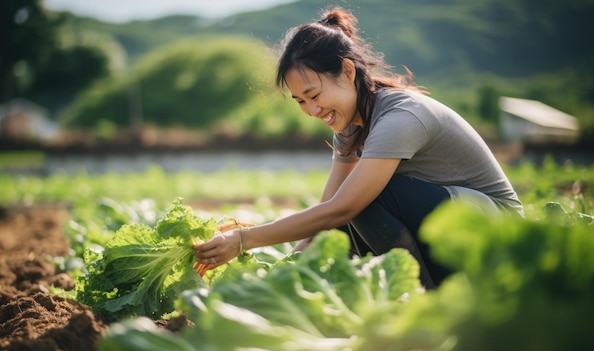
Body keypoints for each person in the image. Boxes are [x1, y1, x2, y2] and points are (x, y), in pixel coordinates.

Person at [194, 7, 523, 288]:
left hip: (498, 235)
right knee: (347, 218)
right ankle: (413, 293)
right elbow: (328, 211)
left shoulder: (400, 117)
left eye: (314, 95)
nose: (311, 110)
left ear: (347, 71)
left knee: (365, 200)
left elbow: (343, 207)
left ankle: (416, 299)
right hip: (449, 232)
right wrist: (281, 273)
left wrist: (243, 240)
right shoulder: (351, 126)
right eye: (300, 102)